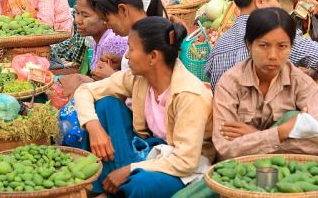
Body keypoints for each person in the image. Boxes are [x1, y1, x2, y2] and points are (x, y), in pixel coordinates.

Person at [74, 16, 214, 198]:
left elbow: (185, 161)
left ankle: (115, 188)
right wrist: (93, 126)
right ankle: (102, 188)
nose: (126, 55)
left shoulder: (189, 95)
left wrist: (129, 169)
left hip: (182, 163)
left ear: (153, 57)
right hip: (147, 149)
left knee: (140, 186)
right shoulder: (138, 78)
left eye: (131, 49)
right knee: (105, 105)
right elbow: (84, 91)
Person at [213, 7, 318, 160]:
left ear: (291, 46)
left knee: (294, 117)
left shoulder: (300, 82)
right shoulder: (229, 84)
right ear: (249, 45)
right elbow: (225, 149)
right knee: (297, 120)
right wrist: (282, 132)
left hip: (287, 171)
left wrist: (258, 136)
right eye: (263, 45)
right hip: (240, 170)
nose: (272, 56)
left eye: (282, 46)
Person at [91, 0, 167, 74]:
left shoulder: (150, 40)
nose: (108, 26)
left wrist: (111, 77)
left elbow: (148, 86)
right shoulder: (140, 34)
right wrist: (122, 62)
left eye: (107, 20)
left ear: (122, 10)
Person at [76, 0, 128, 74]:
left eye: (85, 15)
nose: (78, 21)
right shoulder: (98, 38)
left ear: (103, 15)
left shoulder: (112, 40)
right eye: (77, 13)